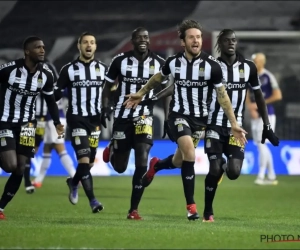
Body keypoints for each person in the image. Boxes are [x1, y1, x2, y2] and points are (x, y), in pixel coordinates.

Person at [123, 20, 247, 221]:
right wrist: (141, 93)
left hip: (200, 120)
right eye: (191, 37)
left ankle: (157, 166)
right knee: (190, 151)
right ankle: (191, 206)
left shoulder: (212, 67)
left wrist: (234, 123)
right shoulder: (173, 62)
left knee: (180, 160)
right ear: (183, 42)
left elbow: (223, 96)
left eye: (198, 37)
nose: (196, 40)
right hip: (178, 116)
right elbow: (158, 78)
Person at [101, 27, 169, 220]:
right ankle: (113, 150)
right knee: (120, 167)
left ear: (149, 41)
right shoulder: (119, 61)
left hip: (144, 117)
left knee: (141, 161)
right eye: (139, 37)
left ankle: (133, 210)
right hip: (122, 116)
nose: (143, 40)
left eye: (146, 37)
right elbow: (107, 86)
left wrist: (167, 117)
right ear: (132, 40)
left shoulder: (160, 63)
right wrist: (105, 107)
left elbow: (165, 92)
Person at [0, 36, 64, 219]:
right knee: (10, 165)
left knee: (20, 168)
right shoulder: (10, 69)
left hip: (28, 124)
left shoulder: (46, 75)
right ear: (27, 51)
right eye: (38, 47)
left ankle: (1, 208)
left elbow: (51, 101)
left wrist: (58, 123)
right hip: (5, 120)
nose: (42, 50)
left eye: (43, 47)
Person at [54, 32, 106, 213]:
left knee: (88, 164)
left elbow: (109, 91)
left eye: (92, 42)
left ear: (96, 46)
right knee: (83, 159)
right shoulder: (68, 69)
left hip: (95, 122)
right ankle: (93, 201)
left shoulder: (102, 68)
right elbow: (57, 91)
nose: (88, 45)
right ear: (79, 46)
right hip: (76, 119)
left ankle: (73, 181)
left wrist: (107, 108)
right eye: (85, 42)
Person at [23, 60, 59, 193]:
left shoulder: (49, 67)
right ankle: (27, 181)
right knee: (27, 148)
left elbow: (57, 87)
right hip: (26, 117)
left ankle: (27, 178)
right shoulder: (23, 67)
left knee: (34, 150)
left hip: (42, 119)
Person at [246, 53, 282, 185]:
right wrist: (251, 108)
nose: (254, 62)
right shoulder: (251, 77)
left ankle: (261, 175)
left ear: (262, 62)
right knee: (260, 145)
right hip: (256, 115)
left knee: (262, 144)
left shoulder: (268, 76)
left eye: (256, 61)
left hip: (267, 114)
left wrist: (260, 104)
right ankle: (271, 175)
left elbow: (278, 95)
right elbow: (247, 94)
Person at [32, 90, 76, 187]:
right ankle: (39, 180)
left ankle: (75, 176)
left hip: (53, 120)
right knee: (47, 148)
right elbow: (69, 94)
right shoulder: (60, 85)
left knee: (59, 147)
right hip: (58, 118)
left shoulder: (46, 82)